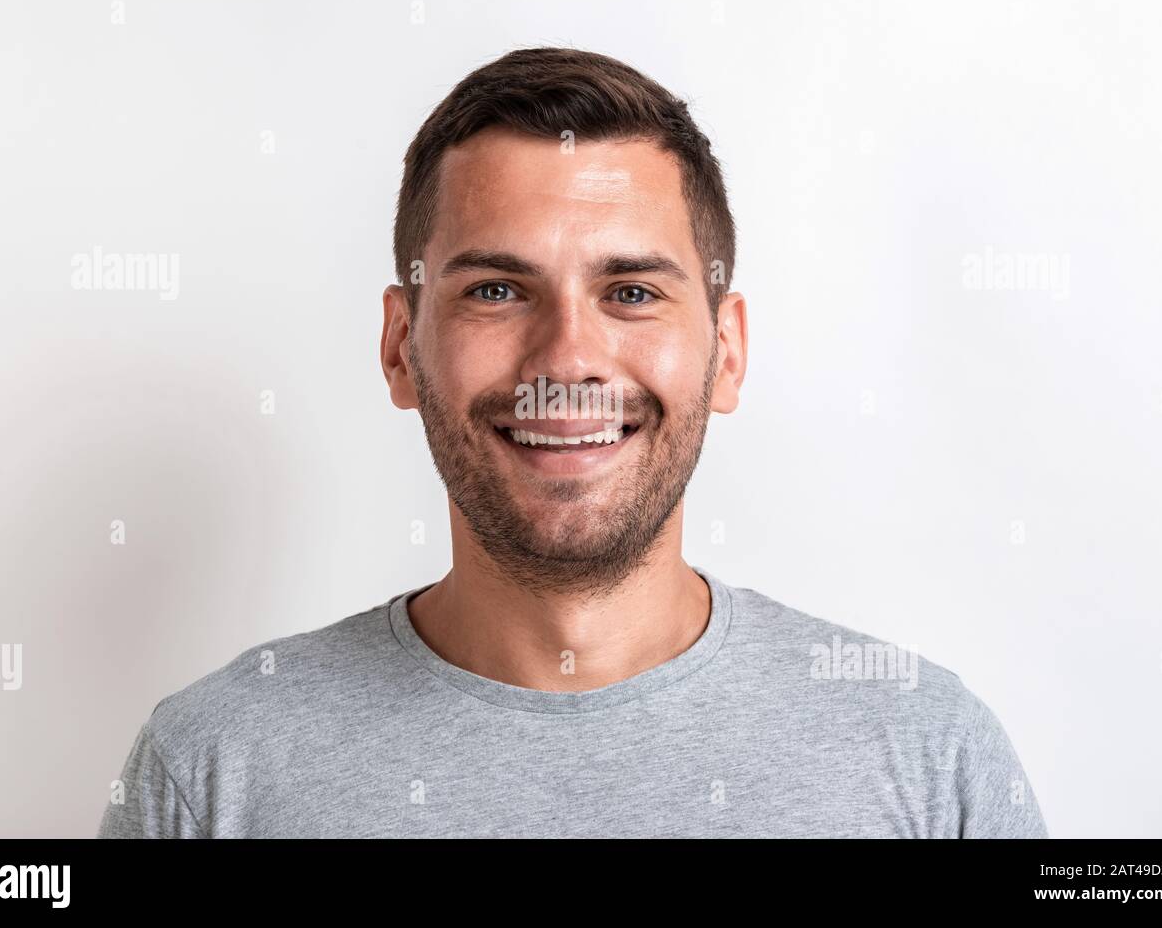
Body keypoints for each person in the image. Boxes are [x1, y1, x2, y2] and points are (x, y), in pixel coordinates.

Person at [98, 47, 1047, 838]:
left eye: (631, 291)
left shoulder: (931, 760)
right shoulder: (211, 773)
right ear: (400, 347)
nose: (568, 358)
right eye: (497, 290)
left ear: (726, 353)